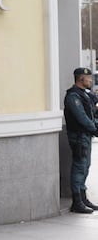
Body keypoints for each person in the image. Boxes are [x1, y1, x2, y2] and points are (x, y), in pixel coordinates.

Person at [64, 67, 98, 213]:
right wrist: (95, 129)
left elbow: (91, 113)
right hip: (78, 137)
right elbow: (82, 118)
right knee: (79, 167)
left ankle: (83, 198)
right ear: (80, 78)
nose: (91, 80)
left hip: (85, 136)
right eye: (88, 78)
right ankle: (77, 202)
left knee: (86, 166)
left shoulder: (84, 95)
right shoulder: (73, 96)